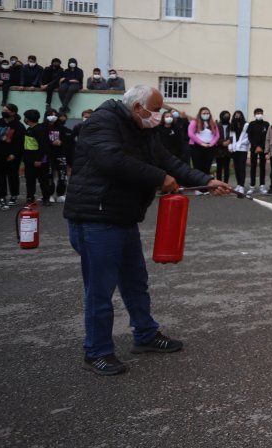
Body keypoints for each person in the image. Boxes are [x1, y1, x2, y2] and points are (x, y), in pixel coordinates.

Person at [65, 85, 231, 375]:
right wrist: (160, 177)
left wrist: (206, 180)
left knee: (135, 282)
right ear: (137, 107)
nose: (159, 116)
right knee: (100, 291)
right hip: (96, 218)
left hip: (123, 217)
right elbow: (112, 160)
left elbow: (168, 161)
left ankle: (145, 334)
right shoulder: (101, 122)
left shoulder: (142, 127)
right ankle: (97, 351)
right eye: (155, 110)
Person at [0, 103, 24, 206]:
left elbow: (20, 142)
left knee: (12, 175)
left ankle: (14, 195)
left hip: (12, 155)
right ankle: (1, 195)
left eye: (6, 111)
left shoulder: (18, 126)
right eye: (3, 110)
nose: (4, 112)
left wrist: (14, 154)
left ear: (13, 113)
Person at [21, 109, 53, 204]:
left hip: (38, 160)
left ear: (28, 119)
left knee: (43, 180)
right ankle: (30, 197)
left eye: (25, 118)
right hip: (29, 159)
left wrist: (39, 159)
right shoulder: (29, 129)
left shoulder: (40, 129)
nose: (24, 119)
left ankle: (46, 199)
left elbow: (44, 146)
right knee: (30, 180)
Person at [43, 109, 74, 203]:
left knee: (62, 175)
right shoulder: (43, 128)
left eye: (54, 115)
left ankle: (60, 194)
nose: (53, 116)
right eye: (50, 114)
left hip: (60, 154)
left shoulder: (61, 128)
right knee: (49, 176)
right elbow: (41, 141)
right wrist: (51, 143)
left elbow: (69, 142)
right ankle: (50, 194)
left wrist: (61, 142)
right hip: (48, 155)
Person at [188, 107, 221, 179]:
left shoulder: (213, 123)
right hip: (197, 147)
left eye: (207, 113)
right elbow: (191, 134)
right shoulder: (194, 122)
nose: (206, 114)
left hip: (210, 147)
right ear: (200, 114)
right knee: (198, 168)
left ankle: (205, 188)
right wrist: (201, 143)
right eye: (204, 113)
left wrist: (211, 143)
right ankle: (198, 188)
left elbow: (217, 135)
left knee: (207, 168)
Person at [246, 109, 270, 193]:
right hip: (254, 148)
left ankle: (262, 186)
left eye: (261, 113)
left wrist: (261, 147)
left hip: (263, 148)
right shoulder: (251, 124)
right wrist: (256, 146)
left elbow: (267, 136)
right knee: (253, 167)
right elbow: (249, 136)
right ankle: (252, 186)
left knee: (262, 167)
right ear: (254, 115)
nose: (259, 115)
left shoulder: (266, 124)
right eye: (257, 113)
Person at [228, 110, 250, 193]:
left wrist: (240, 143)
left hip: (242, 149)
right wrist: (230, 146)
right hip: (234, 149)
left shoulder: (246, 125)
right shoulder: (232, 125)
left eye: (239, 115)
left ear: (242, 116)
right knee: (236, 168)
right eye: (235, 115)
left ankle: (242, 186)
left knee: (241, 167)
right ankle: (238, 184)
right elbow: (231, 136)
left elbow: (248, 137)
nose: (237, 117)